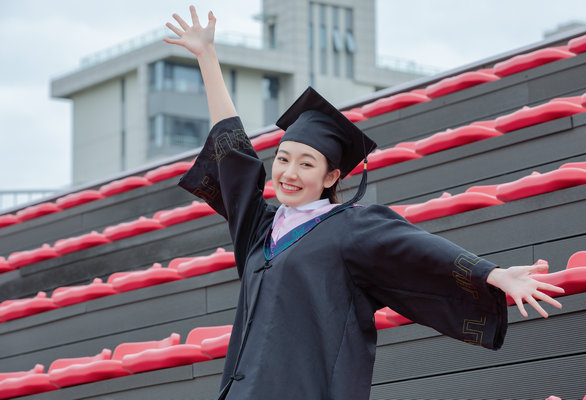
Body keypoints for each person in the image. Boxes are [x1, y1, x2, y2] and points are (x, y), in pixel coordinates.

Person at [165, 7, 565, 400]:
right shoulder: (259, 229)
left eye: (307, 163)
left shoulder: (351, 228)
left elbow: (420, 252)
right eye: (283, 159)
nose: (288, 172)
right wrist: (208, 58)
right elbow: (234, 155)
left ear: (331, 176)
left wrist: (493, 275)